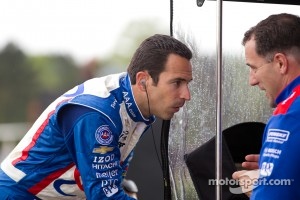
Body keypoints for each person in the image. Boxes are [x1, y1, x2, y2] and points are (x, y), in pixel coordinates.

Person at [0, 34, 193, 199]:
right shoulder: (98, 113)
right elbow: (104, 195)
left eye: (187, 83)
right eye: (177, 82)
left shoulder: (135, 105)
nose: (187, 95)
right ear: (143, 81)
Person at [232, 13, 300, 199]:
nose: (252, 80)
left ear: (280, 63)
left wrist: (263, 185)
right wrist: (281, 167)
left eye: (254, 68)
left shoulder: (288, 117)